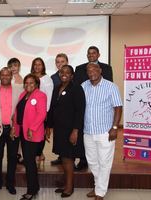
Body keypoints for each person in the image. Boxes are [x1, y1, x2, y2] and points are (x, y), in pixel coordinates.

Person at [82, 63, 122, 200]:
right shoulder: (84, 86)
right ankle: (98, 185)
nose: (91, 71)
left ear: (100, 70)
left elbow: (117, 107)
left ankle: (100, 192)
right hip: (88, 131)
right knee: (92, 162)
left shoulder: (111, 87)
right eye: (88, 70)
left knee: (104, 162)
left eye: (94, 69)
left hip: (105, 132)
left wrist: (115, 127)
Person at [47, 65, 85, 198]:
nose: (64, 74)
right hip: (59, 129)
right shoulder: (57, 88)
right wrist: (48, 127)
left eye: (67, 72)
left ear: (72, 75)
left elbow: (80, 112)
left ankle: (69, 187)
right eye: (62, 72)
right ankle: (66, 184)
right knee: (63, 158)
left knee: (68, 159)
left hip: (70, 130)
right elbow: (52, 108)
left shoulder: (76, 88)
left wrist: (75, 131)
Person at [74, 46, 113, 171]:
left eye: (93, 53)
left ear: (98, 54)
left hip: (101, 108)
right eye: (89, 53)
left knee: (101, 146)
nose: (91, 55)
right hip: (84, 106)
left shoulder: (107, 68)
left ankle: (100, 166)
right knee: (85, 136)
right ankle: (83, 159)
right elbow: (77, 87)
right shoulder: (80, 69)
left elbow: (109, 84)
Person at [0, 67, 23, 195]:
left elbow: (22, 108)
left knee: (12, 158)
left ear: (11, 76)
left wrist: (16, 125)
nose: (5, 77)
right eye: (2, 75)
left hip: (13, 129)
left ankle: (10, 184)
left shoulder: (20, 89)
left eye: (8, 75)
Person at [12, 74, 47, 200]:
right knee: (28, 161)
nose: (28, 85)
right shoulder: (23, 95)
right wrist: (14, 128)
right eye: (26, 83)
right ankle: (35, 187)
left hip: (33, 133)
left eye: (31, 83)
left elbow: (42, 114)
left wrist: (32, 129)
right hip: (22, 132)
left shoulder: (40, 95)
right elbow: (18, 114)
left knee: (29, 162)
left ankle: (31, 191)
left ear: (37, 84)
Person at [31, 57, 53, 164]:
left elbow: (49, 97)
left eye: (39, 64)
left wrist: (45, 113)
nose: (37, 66)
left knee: (40, 135)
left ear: (43, 66)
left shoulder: (47, 79)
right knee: (33, 133)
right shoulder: (30, 78)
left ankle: (38, 154)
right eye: (35, 64)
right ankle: (39, 154)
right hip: (31, 112)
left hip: (42, 112)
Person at [50, 53, 69, 166]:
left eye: (62, 61)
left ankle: (69, 157)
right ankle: (61, 156)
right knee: (59, 136)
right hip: (58, 113)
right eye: (58, 62)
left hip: (69, 112)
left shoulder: (72, 76)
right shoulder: (53, 78)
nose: (60, 64)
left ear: (67, 62)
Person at [7, 57, 24, 164]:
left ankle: (20, 153)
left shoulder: (23, 79)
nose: (13, 68)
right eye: (11, 66)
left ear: (19, 67)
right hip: (9, 107)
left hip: (19, 108)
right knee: (12, 130)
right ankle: (13, 153)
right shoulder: (8, 78)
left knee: (19, 131)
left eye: (15, 65)